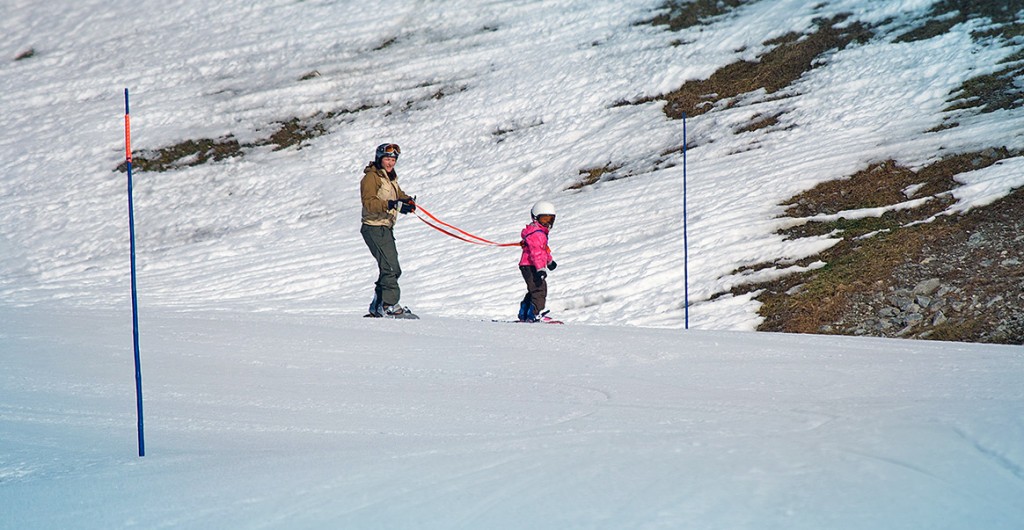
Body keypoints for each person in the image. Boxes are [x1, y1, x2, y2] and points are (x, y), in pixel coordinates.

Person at [360, 143, 418, 319]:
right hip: (374, 227)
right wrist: (391, 205)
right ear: (379, 159)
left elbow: (398, 194)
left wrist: (407, 201)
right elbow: (369, 202)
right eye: (387, 159)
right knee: (390, 267)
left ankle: (378, 305)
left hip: (386, 227)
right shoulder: (371, 178)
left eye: (393, 160)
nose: (390, 163)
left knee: (392, 268)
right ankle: (389, 306)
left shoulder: (389, 177)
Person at [518, 200, 558, 322]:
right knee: (540, 290)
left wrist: (550, 261)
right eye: (544, 219)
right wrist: (541, 269)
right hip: (532, 266)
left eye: (550, 219)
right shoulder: (537, 234)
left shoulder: (537, 232)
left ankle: (525, 313)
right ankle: (535, 313)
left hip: (528, 265)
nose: (547, 223)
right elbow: (537, 253)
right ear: (536, 218)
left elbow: (543, 250)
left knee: (534, 290)